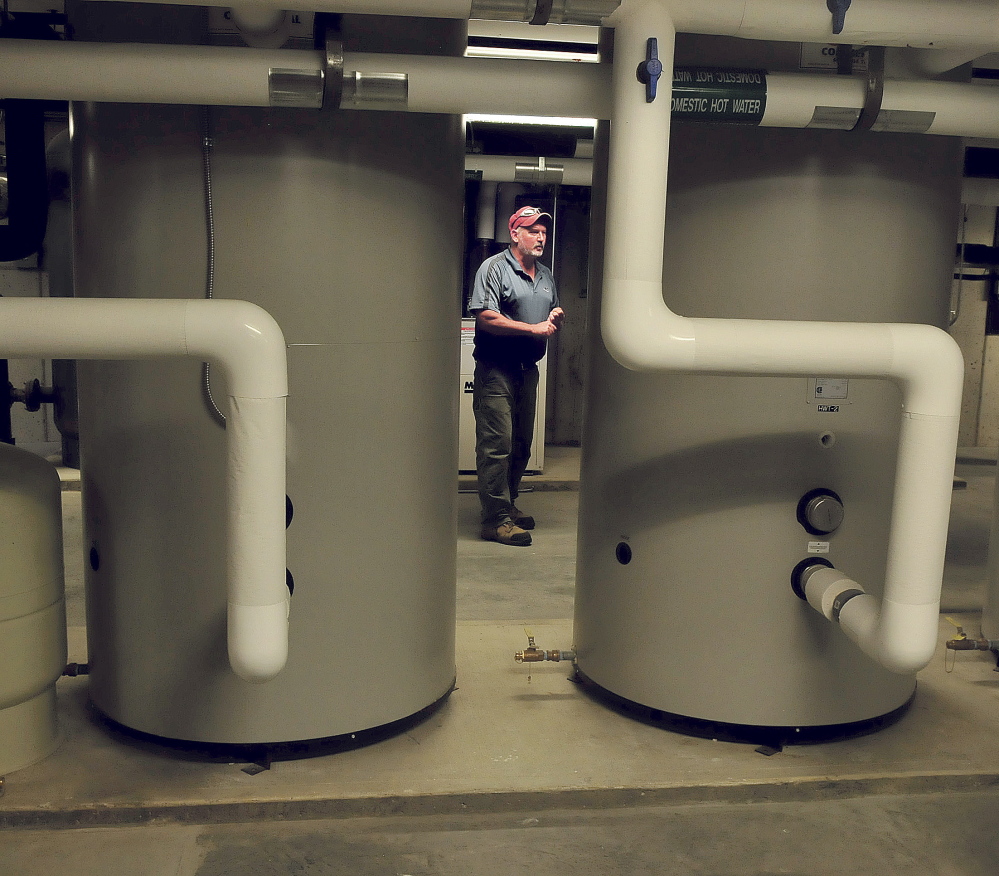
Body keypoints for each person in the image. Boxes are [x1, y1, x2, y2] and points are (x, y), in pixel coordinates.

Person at [468, 206, 564, 546]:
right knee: (497, 445)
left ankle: (507, 506)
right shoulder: (493, 269)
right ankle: (495, 521)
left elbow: (549, 310)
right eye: (533, 231)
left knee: (521, 444)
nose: (540, 238)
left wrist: (554, 315)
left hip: (528, 370)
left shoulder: (545, 275)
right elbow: (486, 317)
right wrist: (533, 327)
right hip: (496, 371)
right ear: (514, 234)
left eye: (543, 233)